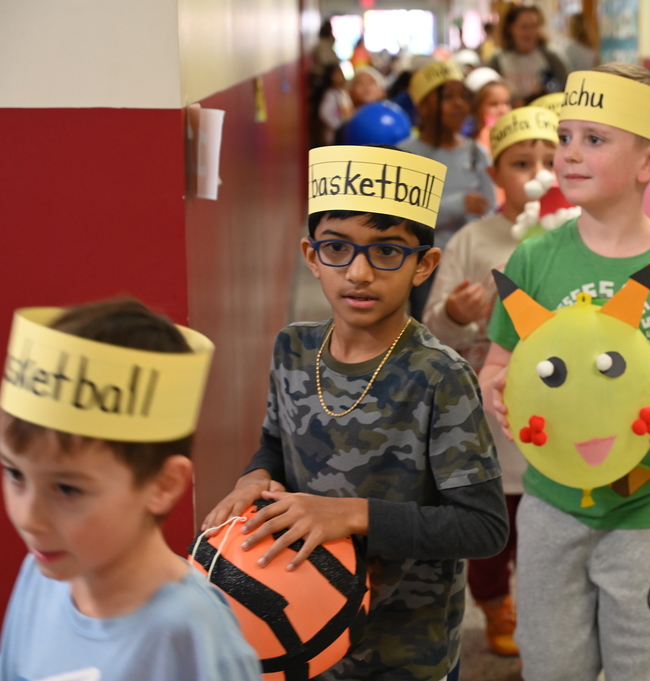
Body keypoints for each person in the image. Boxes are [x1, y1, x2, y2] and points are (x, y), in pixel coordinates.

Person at [481, 63, 650, 681]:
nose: (569, 154)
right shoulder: (534, 259)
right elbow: (499, 362)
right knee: (551, 663)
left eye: (594, 139)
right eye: (565, 137)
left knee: (643, 665)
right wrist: (497, 387)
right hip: (552, 503)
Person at [201, 145, 509, 681]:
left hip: (405, 652)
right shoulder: (293, 348)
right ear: (311, 256)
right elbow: (275, 442)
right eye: (337, 248)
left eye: (387, 251)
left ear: (424, 265)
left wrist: (350, 514)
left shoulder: (441, 376)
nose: (359, 272)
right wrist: (255, 476)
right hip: (304, 637)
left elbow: (482, 527)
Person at [0, 299, 261, 680]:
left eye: (68, 489)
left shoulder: (191, 635)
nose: (28, 518)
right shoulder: (39, 575)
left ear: (163, 485)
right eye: (14, 473)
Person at [423, 106, 559, 658]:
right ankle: (494, 600)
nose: (538, 174)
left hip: (555, 417)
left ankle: (545, 609)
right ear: (496, 173)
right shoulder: (473, 240)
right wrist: (456, 314)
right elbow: (432, 328)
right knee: (491, 523)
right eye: (522, 163)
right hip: (486, 423)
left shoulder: (573, 240)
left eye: (550, 161)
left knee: (546, 526)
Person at [400, 60, 496, 319]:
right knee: (426, 327)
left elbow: (489, 210)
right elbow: (405, 219)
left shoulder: (476, 153)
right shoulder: (406, 154)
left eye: (463, 97)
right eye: (447, 97)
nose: (459, 105)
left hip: (469, 264)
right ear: (423, 106)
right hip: (425, 266)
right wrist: (460, 204)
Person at [487, 4, 570, 106]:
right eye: (524, 27)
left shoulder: (551, 56)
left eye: (534, 26)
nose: (530, 32)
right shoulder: (498, 59)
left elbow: (568, 87)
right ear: (510, 28)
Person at [319, 64, 354, 146]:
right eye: (336, 74)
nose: (339, 77)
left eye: (340, 73)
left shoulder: (344, 91)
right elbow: (324, 113)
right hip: (335, 135)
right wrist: (339, 126)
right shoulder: (330, 94)